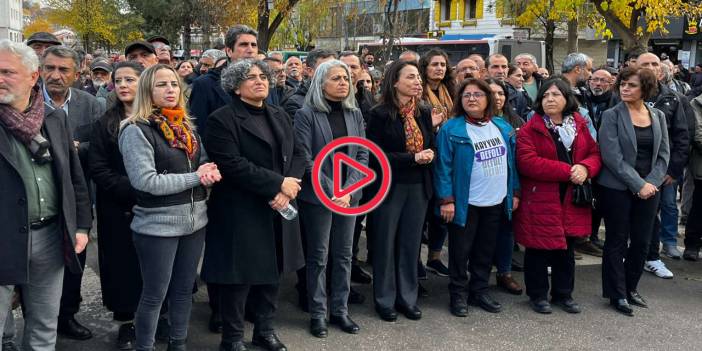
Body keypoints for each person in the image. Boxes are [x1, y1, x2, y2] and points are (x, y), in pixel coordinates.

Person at [202, 59, 305, 351]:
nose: (260, 81)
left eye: (263, 76)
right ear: (235, 88)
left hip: (278, 204)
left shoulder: (279, 113)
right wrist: (277, 184)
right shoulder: (221, 119)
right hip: (241, 208)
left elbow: (298, 152)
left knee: (272, 271)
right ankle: (232, 338)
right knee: (240, 277)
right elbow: (232, 164)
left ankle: (265, 330)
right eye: (251, 78)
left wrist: (289, 186)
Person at [118, 64, 221, 351]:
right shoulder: (135, 130)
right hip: (157, 225)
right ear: (147, 91)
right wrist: (196, 177)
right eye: (162, 84)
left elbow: (202, 162)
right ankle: (146, 346)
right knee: (154, 295)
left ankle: (179, 343)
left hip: (195, 222)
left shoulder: (188, 127)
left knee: (183, 292)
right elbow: (145, 181)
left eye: (174, 84)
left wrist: (208, 171)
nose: (170, 90)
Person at [0, 39, 91, 351]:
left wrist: (80, 225)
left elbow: (74, 179)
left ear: (31, 76)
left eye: (7, 72)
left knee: (44, 326)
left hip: (50, 236)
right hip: (3, 236)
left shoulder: (53, 119)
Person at [514, 78, 602, 314]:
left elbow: (595, 153)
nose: (550, 99)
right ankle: (538, 295)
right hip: (542, 198)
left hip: (572, 198)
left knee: (566, 249)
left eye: (556, 95)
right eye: (545, 96)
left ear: (567, 99)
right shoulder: (530, 128)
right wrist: (570, 171)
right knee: (538, 249)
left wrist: (585, 168)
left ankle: (563, 294)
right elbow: (528, 163)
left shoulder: (580, 124)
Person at [434, 78, 520, 317]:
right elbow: (443, 167)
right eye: (467, 95)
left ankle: (479, 290)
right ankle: (458, 294)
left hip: (495, 201)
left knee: (485, 250)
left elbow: (511, 164)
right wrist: (447, 199)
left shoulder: (502, 127)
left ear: (488, 99)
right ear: (460, 101)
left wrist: (514, 192)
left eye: (478, 94)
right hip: (465, 203)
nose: (472, 99)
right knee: (460, 252)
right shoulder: (452, 129)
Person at [293, 60, 367, 338]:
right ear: (320, 82)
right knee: (319, 257)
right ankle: (317, 313)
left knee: (344, 255)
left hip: (349, 197)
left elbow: (362, 154)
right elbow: (305, 157)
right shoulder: (306, 114)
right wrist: (332, 191)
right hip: (318, 198)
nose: (342, 83)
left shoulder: (355, 113)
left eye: (346, 78)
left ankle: (340, 310)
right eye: (335, 78)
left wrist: (347, 191)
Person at [41, 45, 105, 341]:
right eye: (49, 68)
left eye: (63, 70)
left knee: (75, 258)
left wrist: (76, 148)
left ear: (78, 74)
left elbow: (103, 147)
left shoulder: (90, 104)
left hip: (78, 194)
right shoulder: (26, 103)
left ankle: (67, 315)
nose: (55, 75)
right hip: (38, 196)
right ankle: (38, 319)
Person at [366, 61, 437, 322]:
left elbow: (431, 145)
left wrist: (428, 155)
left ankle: (407, 298)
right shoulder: (380, 113)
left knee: (410, 245)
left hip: (419, 187)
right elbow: (375, 156)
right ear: (395, 82)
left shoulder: (424, 111)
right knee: (385, 244)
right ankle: (384, 299)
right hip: (390, 187)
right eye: (411, 77)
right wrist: (412, 159)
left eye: (418, 77)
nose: (418, 81)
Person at [598, 67, 670, 317]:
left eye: (632, 85)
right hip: (617, 188)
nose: (625, 89)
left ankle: (631, 288)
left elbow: (663, 154)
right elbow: (612, 157)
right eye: (623, 84)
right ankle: (616, 293)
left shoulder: (658, 115)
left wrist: (651, 183)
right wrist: (638, 184)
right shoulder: (611, 115)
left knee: (641, 241)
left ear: (646, 89)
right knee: (617, 240)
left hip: (650, 189)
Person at [88, 61, 145, 350]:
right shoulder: (105, 123)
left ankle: (158, 317)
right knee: (122, 268)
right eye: (119, 80)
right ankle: (127, 323)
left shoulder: (158, 118)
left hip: (155, 206)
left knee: (153, 266)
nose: (123, 85)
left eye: (130, 79)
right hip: (117, 207)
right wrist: (134, 189)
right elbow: (98, 168)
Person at [636, 53, 690, 276]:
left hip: (661, 171)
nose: (650, 67)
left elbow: (682, 137)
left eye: (654, 64)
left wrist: (672, 170)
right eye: (644, 64)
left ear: (662, 69)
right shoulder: (622, 94)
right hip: (629, 170)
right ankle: (632, 253)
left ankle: (653, 256)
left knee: (656, 213)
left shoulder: (674, 99)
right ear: (634, 67)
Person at [484, 78, 524, 295]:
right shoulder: (469, 121)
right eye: (491, 93)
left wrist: (516, 191)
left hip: (507, 186)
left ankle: (505, 273)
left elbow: (517, 161)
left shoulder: (514, 121)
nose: (496, 97)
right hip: (482, 187)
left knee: (505, 231)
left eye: (500, 93)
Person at [418, 49, 454, 280]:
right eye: (434, 64)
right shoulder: (418, 92)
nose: (439, 68)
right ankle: (415, 260)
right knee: (422, 215)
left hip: (447, 156)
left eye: (442, 64)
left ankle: (434, 257)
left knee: (442, 213)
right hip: (425, 157)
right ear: (425, 68)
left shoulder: (450, 91)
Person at [189, 25, 259, 135]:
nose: (250, 50)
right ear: (229, 51)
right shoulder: (205, 84)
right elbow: (198, 131)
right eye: (243, 45)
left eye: (253, 45)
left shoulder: (264, 82)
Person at [683, 92, 702, 261]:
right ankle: (692, 244)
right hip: (700, 165)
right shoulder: (697, 103)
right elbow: (697, 135)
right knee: (699, 206)